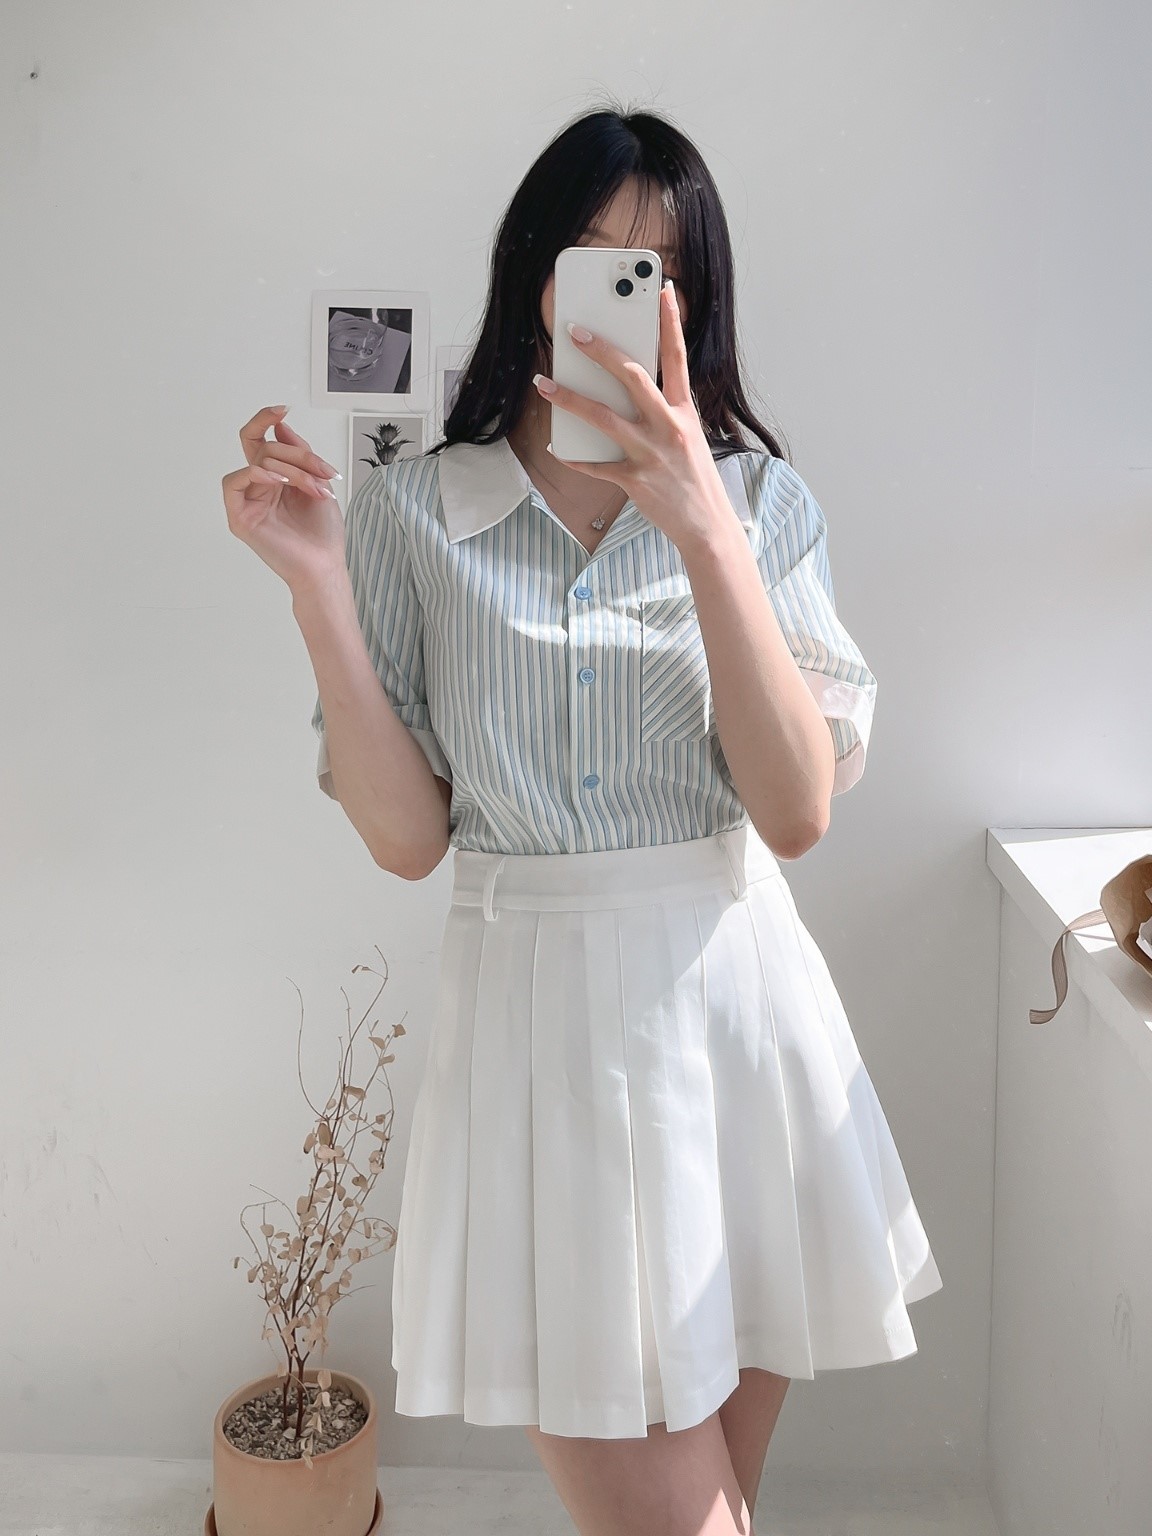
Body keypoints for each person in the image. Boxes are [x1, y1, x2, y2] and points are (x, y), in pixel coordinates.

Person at [223, 103, 942, 1536]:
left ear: (692, 297)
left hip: (738, 1033)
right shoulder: (413, 514)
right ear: (532, 275)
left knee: (714, 1507)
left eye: (653, 265)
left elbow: (796, 811)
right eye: (592, 254)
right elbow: (408, 840)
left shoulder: (759, 504)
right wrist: (317, 592)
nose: (620, 289)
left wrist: (703, 525)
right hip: (537, 1041)